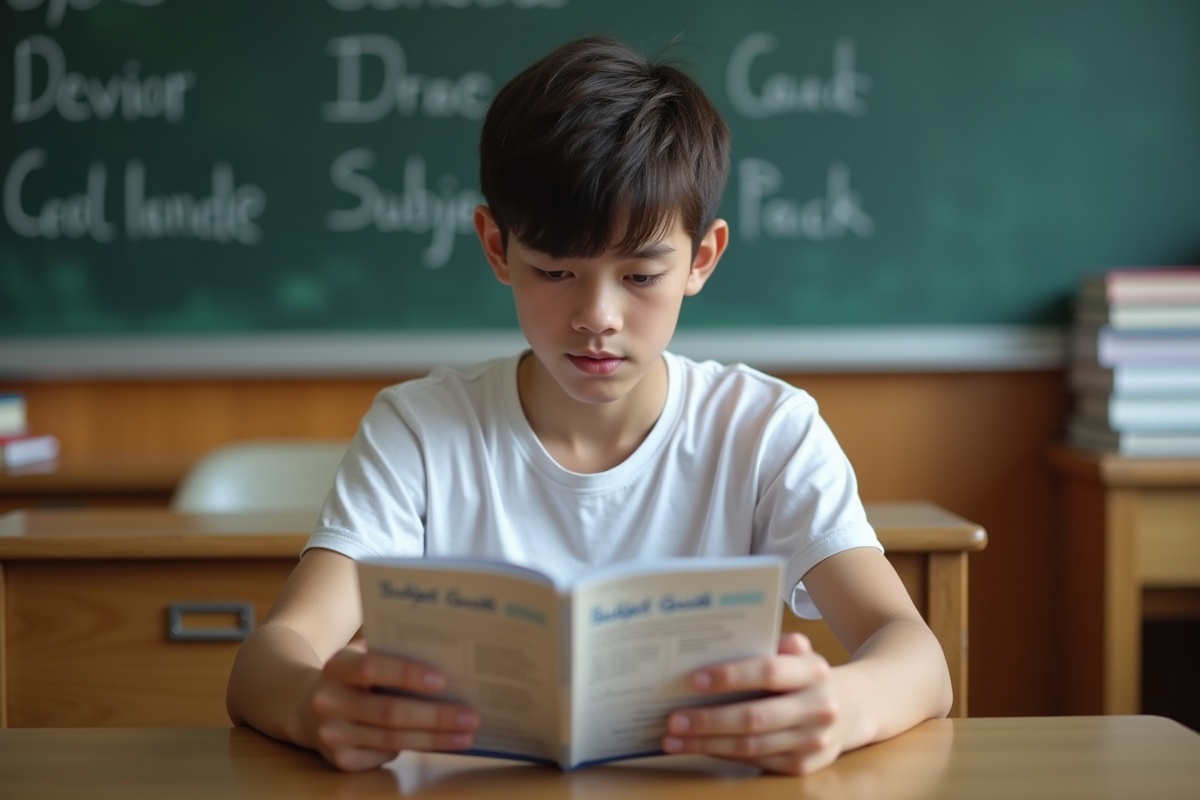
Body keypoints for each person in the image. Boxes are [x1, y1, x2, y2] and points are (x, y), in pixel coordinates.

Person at [226, 35, 951, 776]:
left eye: (640, 276)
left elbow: (917, 657)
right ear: (496, 248)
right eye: (555, 270)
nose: (597, 315)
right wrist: (318, 708)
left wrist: (838, 708)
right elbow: (269, 658)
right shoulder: (418, 431)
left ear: (702, 258)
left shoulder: (767, 430)